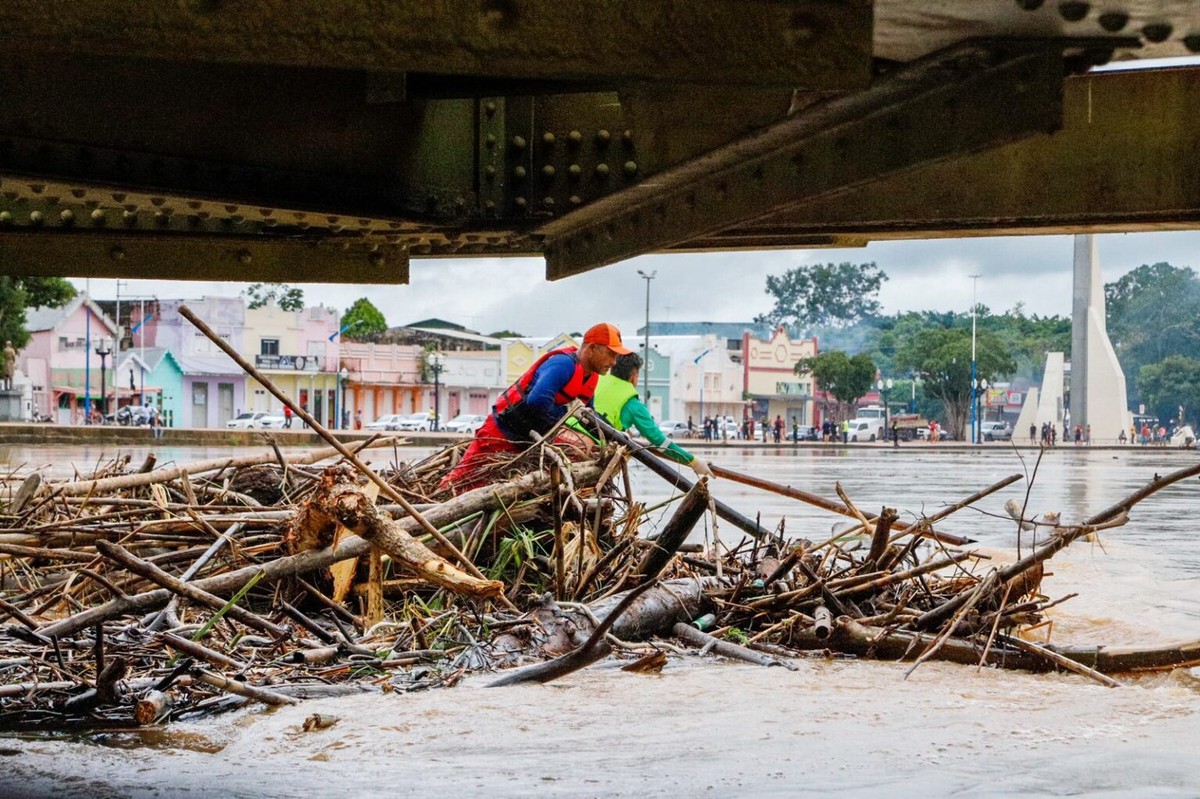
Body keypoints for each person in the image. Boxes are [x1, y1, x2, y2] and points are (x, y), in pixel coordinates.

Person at [439, 322, 629, 493]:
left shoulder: (591, 377)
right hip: (501, 431)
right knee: (458, 482)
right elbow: (537, 401)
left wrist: (615, 436)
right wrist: (567, 414)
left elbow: (588, 415)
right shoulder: (563, 364)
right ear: (592, 348)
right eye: (611, 354)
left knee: (496, 487)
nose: (613, 362)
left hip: (528, 439)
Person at [593, 352, 713, 479]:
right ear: (634, 376)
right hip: (596, 448)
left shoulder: (598, 380)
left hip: (575, 435)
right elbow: (660, 442)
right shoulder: (633, 403)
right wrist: (694, 462)